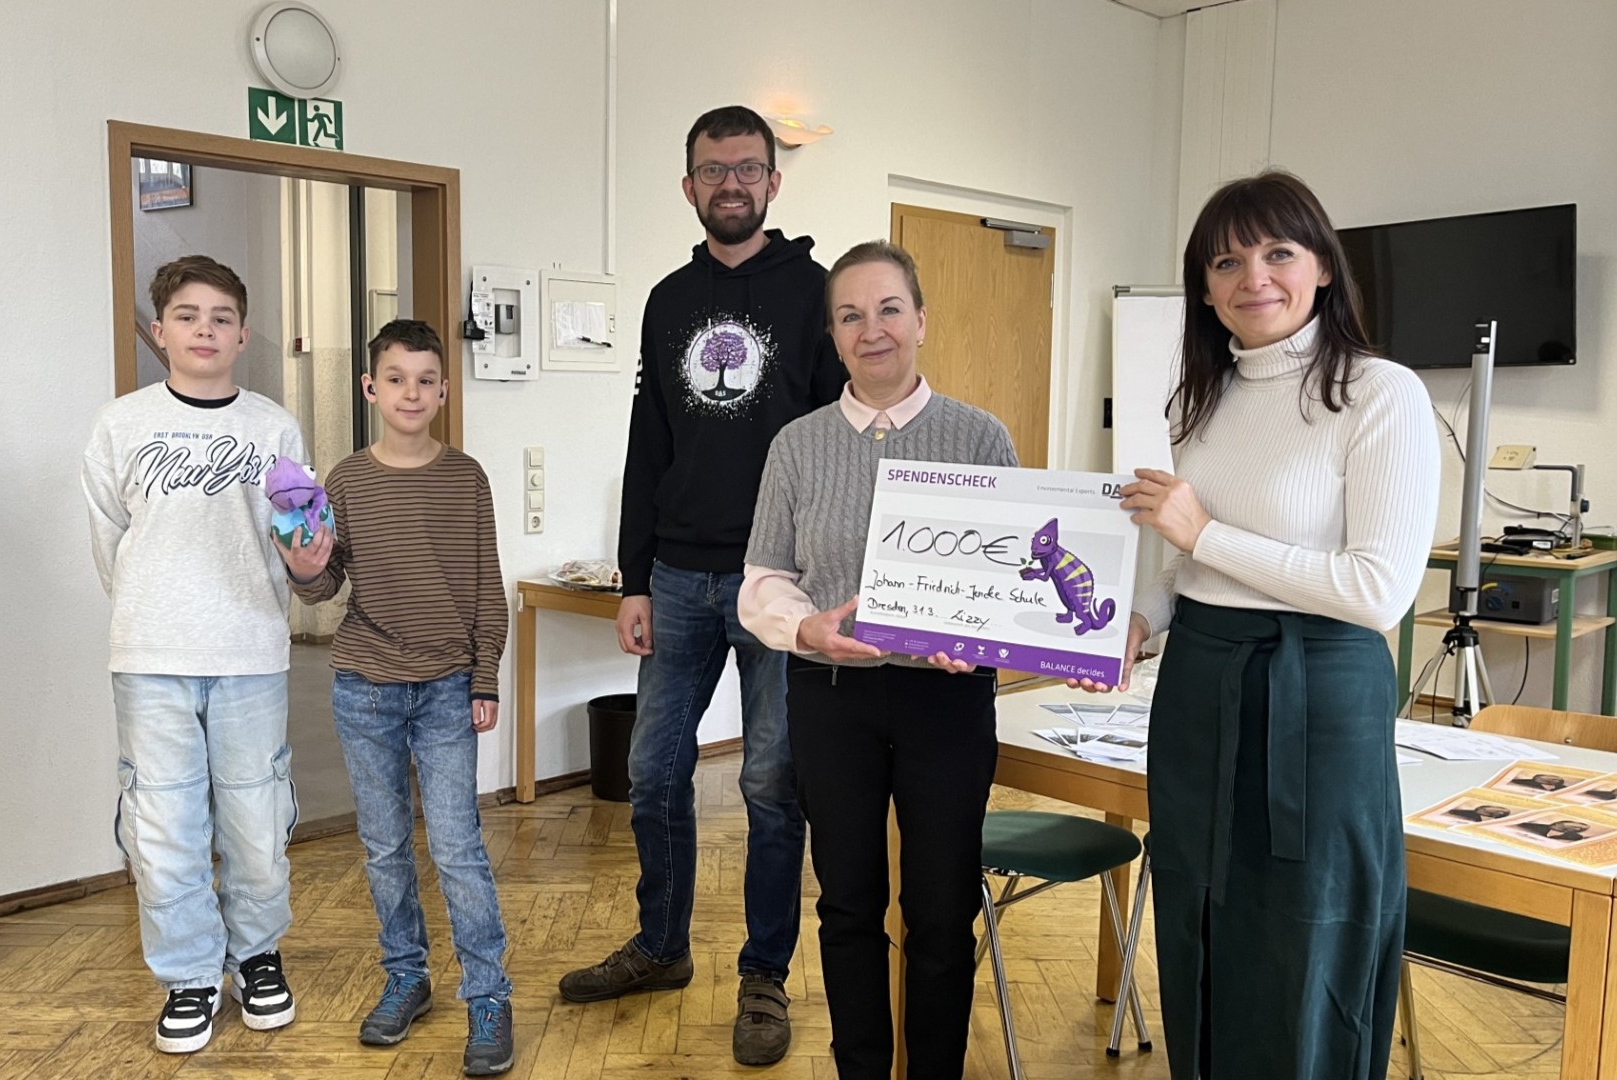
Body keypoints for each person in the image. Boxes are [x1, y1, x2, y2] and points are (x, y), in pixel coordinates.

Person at [1080, 171, 1440, 1078]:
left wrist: (1207, 532)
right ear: (1202, 288)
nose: (1255, 277)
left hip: (1318, 691)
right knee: (1199, 915)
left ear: (1321, 266)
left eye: (1279, 252)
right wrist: (1138, 623)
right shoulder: (1196, 400)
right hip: (1198, 680)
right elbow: (1183, 563)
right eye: (1226, 260)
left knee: (1306, 932)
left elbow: (1377, 591)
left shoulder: (1379, 394)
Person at [558, 105, 844, 1068]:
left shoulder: (816, 292)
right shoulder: (667, 299)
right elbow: (650, 444)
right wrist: (633, 576)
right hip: (676, 576)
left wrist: (824, 578)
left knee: (770, 782)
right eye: (712, 170)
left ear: (773, 181)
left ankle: (763, 973)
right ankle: (662, 947)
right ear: (688, 187)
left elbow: (836, 446)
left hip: (779, 580)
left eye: (748, 168)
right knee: (650, 775)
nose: (731, 183)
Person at [740, 240, 1018, 1080]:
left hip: (946, 703)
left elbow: (1011, 580)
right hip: (832, 696)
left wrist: (985, 635)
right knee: (848, 903)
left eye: (888, 309)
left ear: (921, 321)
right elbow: (762, 581)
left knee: (940, 910)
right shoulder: (796, 444)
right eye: (850, 316)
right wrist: (806, 630)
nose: (872, 331)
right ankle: (860, 1067)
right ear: (831, 334)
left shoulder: (979, 437)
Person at [278, 320, 514, 1077]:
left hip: (448, 690)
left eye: (426, 379)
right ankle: (406, 977)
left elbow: (487, 589)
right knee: (383, 848)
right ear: (369, 388)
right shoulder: (343, 480)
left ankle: (487, 992)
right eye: (396, 378)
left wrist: (484, 677)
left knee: (456, 848)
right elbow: (325, 584)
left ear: (444, 391)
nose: (411, 392)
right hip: (364, 689)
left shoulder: (465, 478)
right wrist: (302, 565)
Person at [81, 255, 303, 1054]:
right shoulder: (120, 425)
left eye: (219, 317)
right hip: (149, 655)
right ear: (157, 331)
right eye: (185, 316)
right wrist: (156, 611)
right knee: (165, 822)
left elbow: (294, 536)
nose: (202, 329)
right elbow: (111, 541)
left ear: (242, 335)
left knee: (255, 818)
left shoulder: (274, 426)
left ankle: (256, 954)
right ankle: (189, 975)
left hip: (251, 652)